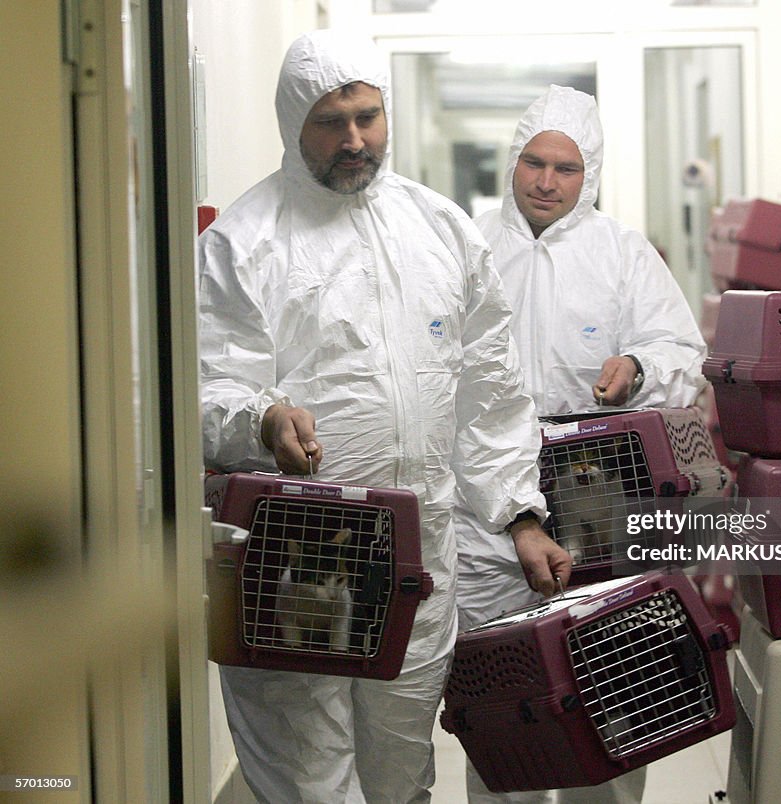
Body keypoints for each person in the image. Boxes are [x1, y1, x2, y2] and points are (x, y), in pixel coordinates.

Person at [199, 32, 571, 803]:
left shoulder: (439, 231)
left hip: (416, 562)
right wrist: (264, 417)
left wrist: (520, 516)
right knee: (309, 780)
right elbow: (205, 385)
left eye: (368, 116)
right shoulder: (244, 242)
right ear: (292, 123)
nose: (355, 139)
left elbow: (489, 393)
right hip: (292, 563)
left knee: (402, 772)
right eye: (331, 122)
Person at [455, 85, 707, 804]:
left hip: (599, 499)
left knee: (615, 685)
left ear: (588, 176)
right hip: (489, 513)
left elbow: (682, 354)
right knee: (504, 700)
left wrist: (640, 369)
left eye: (565, 169)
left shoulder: (622, 255)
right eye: (533, 162)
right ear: (512, 163)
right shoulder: (469, 247)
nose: (544, 181)